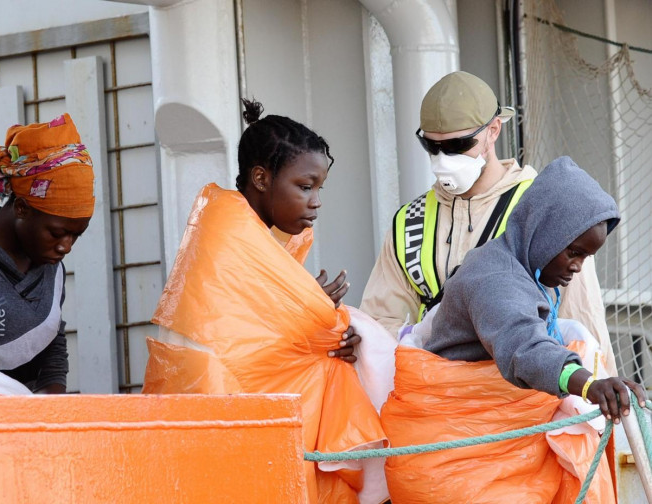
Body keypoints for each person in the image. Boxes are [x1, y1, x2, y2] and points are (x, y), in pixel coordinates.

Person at [142, 99, 388, 504]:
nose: (316, 201)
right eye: (305, 187)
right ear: (261, 177)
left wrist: (316, 319)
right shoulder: (230, 227)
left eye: (319, 189)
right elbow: (248, 331)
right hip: (212, 397)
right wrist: (316, 319)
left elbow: (269, 327)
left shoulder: (248, 227)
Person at [381, 156, 647, 503]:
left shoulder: (526, 271)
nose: (578, 267)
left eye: (585, 257)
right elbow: (524, 347)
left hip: (489, 454)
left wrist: (595, 378)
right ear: (544, 230)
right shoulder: (496, 279)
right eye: (574, 252)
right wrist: (589, 384)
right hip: (460, 464)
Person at [360, 71, 618, 376]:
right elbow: (379, 322)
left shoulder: (545, 206)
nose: (443, 159)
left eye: (459, 145)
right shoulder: (409, 221)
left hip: (524, 395)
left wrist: (601, 398)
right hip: (434, 397)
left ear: (493, 130)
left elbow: (582, 315)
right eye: (432, 147)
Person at [0, 113, 94, 394]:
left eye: (76, 235)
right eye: (57, 233)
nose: (66, 247)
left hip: (25, 423)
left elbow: (51, 338)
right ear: (21, 208)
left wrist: (51, 399)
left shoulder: (51, 268)